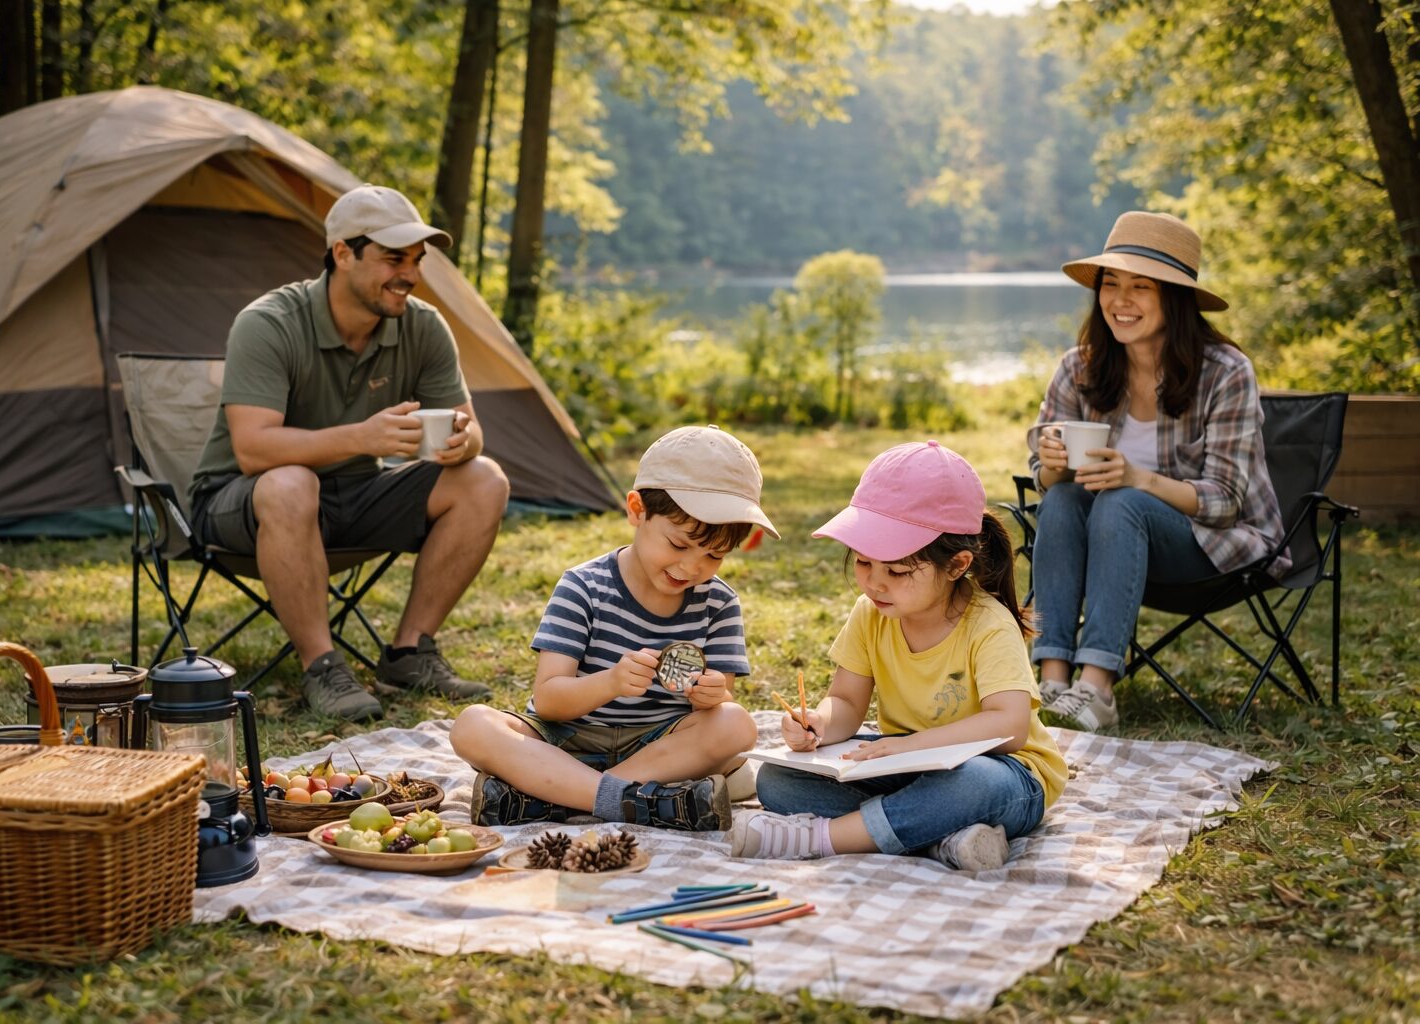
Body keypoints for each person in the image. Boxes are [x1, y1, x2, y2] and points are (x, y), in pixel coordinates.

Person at [188, 184, 510, 722]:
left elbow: (471, 431)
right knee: (293, 482)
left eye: (416, 260)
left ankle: (408, 653)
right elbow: (252, 448)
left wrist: (460, 440)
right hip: (241, 502)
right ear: (343, 253)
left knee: (484, 479)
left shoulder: (423, 326)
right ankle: (322, 667)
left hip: (357, 495)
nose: (409, 273)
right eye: (392, 258)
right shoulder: (269, 323)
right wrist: (360, 437)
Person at [730, 441, 1066, 871]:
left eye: (897, 571)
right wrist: (819, 724)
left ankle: (822, 838)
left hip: (1007, 773)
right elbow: (848, 703)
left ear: (958, 564)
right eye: (864, 563)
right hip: (907, 763)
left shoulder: (989, 623)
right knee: (780, 779)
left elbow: (1010, 727)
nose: (875, 583)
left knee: (973, 785)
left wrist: (908, 745)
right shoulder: (871, 615)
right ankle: (939, 838)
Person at [1028, 211, 1287, 731]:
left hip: (1209, 544)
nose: (1120, 301)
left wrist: (1138, 478)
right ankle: (1053, 678)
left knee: (1122, 499)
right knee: (1062, 498)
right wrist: (1052, 466)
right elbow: (1043, 469)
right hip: (1107, 546)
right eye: (1111, 284)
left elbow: (1226, 501)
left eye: (1140, 287)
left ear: (1175, 297)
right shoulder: (1079, 366)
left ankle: (1097, 686)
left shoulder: (1226, 372)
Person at [449, 425, 778, 831]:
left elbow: (719, 699)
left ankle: (556, 799)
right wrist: (612, 682)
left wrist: (712, 694)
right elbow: (549, 701)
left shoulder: (719, 602)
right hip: (566, 742)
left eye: (714, 555)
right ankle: (636, 801)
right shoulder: (584, 586)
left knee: (736, 723)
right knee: (473, 726)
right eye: (678, 545)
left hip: (657, 747)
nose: (692, 567)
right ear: (637, 511)